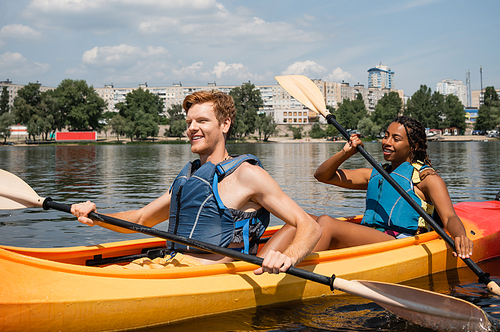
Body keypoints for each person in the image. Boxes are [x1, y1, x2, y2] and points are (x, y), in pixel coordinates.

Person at [71, 90, 320, 274]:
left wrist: (287, 258)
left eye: (201, 121)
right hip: (170, 264)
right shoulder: (190, 177)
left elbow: (309, 226)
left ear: (225, 124)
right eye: (189, 122)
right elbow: (141, 219)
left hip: (208, 274)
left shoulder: (247, 174)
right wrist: (97, 216)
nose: (192, 128)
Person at [265, 116, 474, 259]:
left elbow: (450, 218)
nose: (387, 142)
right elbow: (322, 176)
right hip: (370, 236)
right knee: (300, 221)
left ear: (414, 146)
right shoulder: (374, 173)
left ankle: (294, 268)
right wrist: (345, 153)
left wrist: (460, 237)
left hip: (400, 243)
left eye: (396, 138)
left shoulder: (427, 178)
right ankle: (255, 264)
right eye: (386, 136)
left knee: (326, 223)